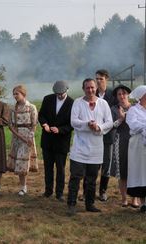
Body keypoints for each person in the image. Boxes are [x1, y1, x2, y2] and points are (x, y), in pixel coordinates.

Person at [67, 78, 113, 215]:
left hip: (96, 148)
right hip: (79, 148)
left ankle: (89, 203)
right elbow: (73, 121)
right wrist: (88, 124)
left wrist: (98, 127)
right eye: (88, 88)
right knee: (75, 177)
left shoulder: (103, 104)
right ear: (83, 89)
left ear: (96, 88)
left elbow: (110, 122)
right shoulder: (77, 103)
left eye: (93, 87)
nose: (90, 90)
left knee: (92, 178)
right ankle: (71, 203)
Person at [38, 80, 73, 201]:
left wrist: (60, 130)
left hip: (62, 142)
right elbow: (41, 115)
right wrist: (45, 124)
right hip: (47, 141)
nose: (59, 95)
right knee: (48, 168)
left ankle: (59, 193)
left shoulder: (72, 103)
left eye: (61, 93)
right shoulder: (47, 99)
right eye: (57, 93)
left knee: (60, 169)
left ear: (66, 90)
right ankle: (48, 191)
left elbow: (71, 124)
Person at [109, 84, 139, 208]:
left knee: (135, 171)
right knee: (122, 172)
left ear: (128, 95)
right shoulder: (113, 109)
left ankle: (135, 199)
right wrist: (121, 119)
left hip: (134, 142)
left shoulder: (135, 108)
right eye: (119, 94)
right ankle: (124, 198)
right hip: (120, 141)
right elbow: (111, 126)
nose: (122, 96)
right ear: (116, 96)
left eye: (124, 93)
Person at [7, 85, 37, 196]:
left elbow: (34, 124)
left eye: (17, 94)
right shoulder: (12, 108)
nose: (15, 96)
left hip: (28, 137)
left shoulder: (31, 107)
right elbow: (10, 125)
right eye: (14, 94)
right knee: (18, 162)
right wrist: (19, 136)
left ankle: (23, 187)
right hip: (17, 137)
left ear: (23, 94)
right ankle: (22, 186)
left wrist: (30, 137)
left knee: (23, 162)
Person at [95, 69, 117, 201]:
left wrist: (104, 125)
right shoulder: (93, 93)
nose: (98, 81)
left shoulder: (112, 95)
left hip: (108, 135)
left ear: (106, 79)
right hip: (94, 134)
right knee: (92, 163)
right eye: (97, 79)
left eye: (101, 79)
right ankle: (88, 191)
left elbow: (114, 115)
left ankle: (102, 191)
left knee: (106, 164)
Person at [126, 85, 146, 212]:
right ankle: (143, 202)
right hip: (138, 145)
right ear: (141, 96)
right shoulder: (133, 110)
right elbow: (133, 125)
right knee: (141, 172)